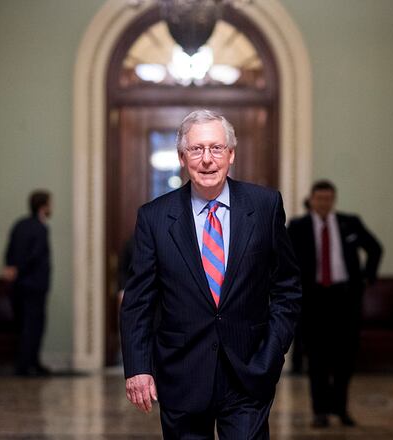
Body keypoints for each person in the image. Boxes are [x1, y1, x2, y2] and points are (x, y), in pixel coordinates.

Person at [120, 109, 302, 439]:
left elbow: (287, 287)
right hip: (181, 374)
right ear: (181, 156)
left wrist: (273, 351)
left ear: (231, 154)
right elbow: (137, 303)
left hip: (249, 371)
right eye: (196, 149)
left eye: (216, 148)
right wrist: (138, 368)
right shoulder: (155, 218)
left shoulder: (265, 206)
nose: (207, 159)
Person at [287, 180, 382, 428]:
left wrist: (367, 277)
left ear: (334, 199)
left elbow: (375, 248)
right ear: (311, 199)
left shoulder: (349, 222)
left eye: (328, 198)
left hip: (345, 298)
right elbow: (284, 259)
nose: (324, 203)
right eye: (319, 198)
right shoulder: (298, 227)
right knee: (317, 358)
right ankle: (320, 411)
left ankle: (341, 408)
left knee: (345, 357)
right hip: (313, 299)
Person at [3, 190, 52, 376]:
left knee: (23, 325)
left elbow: (10, 248)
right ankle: (27, 365)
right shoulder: (40, 228)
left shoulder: (20, 225)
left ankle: (29, 363)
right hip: (35, 285)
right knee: (33, 326)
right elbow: (34, 256)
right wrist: (19, 268)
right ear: (43, 206)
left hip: (19, 286)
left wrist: (11, 267)